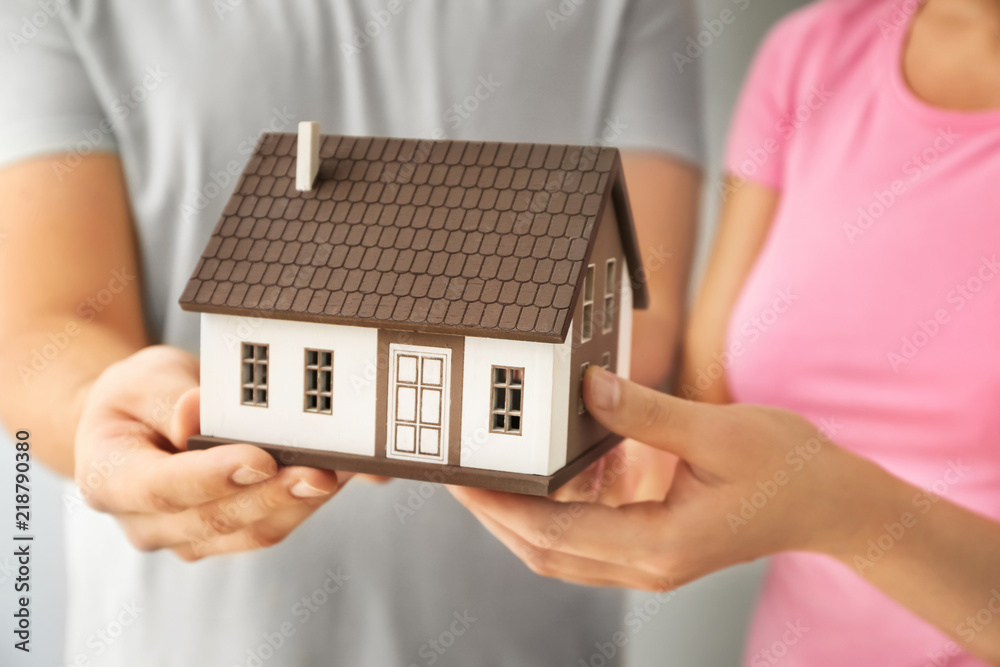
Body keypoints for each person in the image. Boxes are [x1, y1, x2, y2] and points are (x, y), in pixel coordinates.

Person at [0, 1, 702, 665]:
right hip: (184, 639)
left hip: (528, 637)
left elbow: (639, 310)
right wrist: (103, 413)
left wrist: (598, 431)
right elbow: (43, 330)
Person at [450, 0, 1000, 664]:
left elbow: (818, 496)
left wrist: (845, 510)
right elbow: (704, 405)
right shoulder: (812, 53)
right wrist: (588, 456)